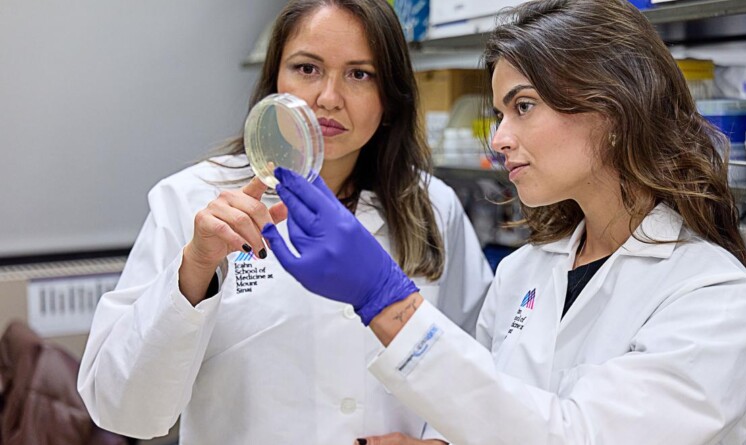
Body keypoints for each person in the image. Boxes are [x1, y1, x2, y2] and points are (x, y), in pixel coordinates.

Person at [261, 0, 746, 444]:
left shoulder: (719, 298)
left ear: (616, 111)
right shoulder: (523, 272)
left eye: (523, 106)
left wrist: (386, 300)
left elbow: (578, 437)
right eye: (501, 113)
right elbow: (488, 417)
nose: (499, 138)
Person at [77, 1, 492, 444]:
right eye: (307, 68)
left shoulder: (430, 206)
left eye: (359, 74)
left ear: (390, 97)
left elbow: (482, 372)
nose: (328, 97)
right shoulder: (192, 199)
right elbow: (122, 409)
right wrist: (196, 267)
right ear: (275, 79)